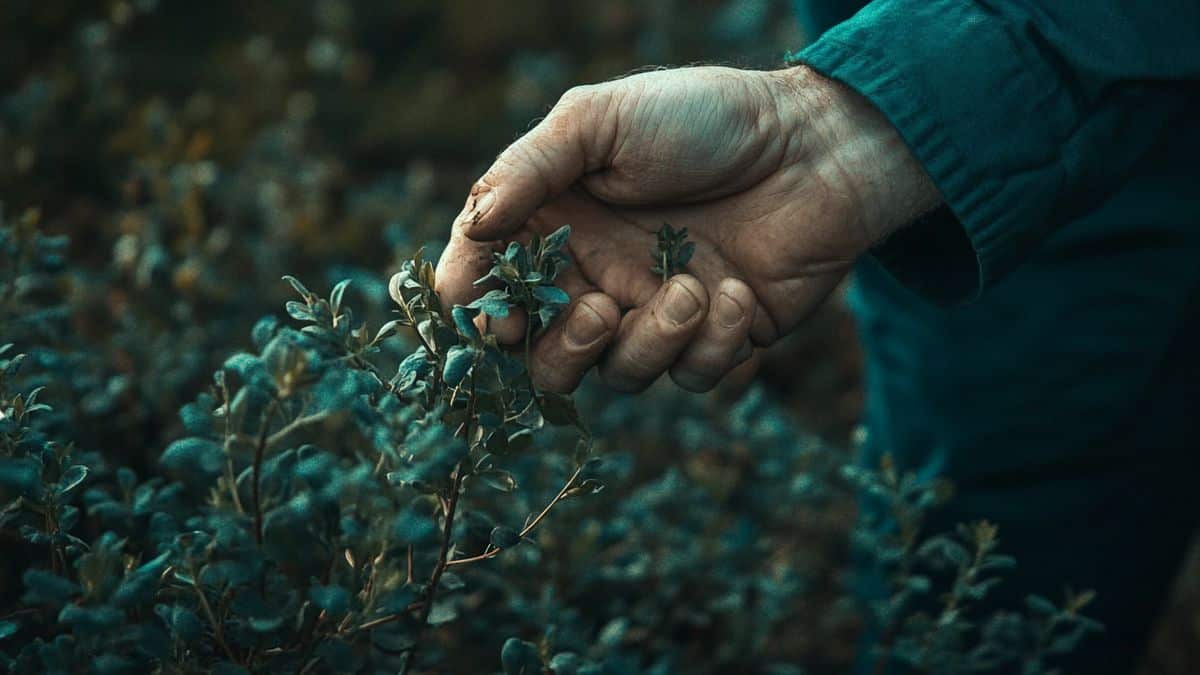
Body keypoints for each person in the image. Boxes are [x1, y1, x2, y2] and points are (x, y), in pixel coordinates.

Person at [436, 1, 1200, 672]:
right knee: (986, 577)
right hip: (988, 192)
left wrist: (861, 119)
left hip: (1009, 144)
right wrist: (852, 130)